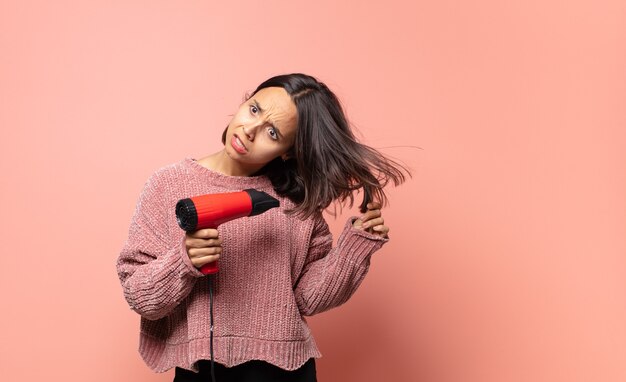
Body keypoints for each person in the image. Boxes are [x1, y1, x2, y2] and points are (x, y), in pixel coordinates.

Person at [117, 73, 408, 381]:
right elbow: (139, 296)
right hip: (202, 371)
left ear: (288, 151)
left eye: (272, 132)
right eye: (254, 109)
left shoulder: (293, 204)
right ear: (245, 101)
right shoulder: (168, 185)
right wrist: (183, 261)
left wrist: (354, 248)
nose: (249, 130)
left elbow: (309, 298)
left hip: (285, 371)